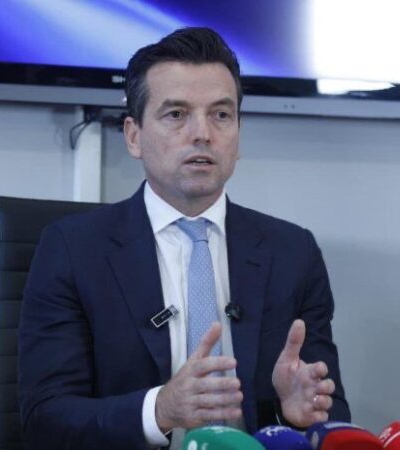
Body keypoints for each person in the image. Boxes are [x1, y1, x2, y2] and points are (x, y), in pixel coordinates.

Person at [18, 27, 350, 450]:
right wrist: (160, 410)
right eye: (176, 114)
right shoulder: (72, 250)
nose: (202, 134)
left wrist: (295, 414)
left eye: (221, 115)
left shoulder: (293, 253)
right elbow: (45, 420)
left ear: (238, 134)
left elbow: (333, 415)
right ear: (134, 136)